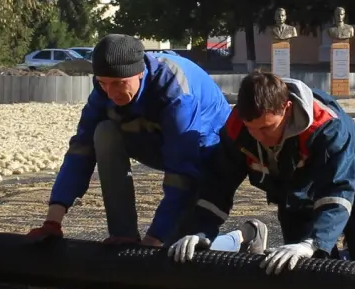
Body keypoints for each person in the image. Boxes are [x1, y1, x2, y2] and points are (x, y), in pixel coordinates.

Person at [169, 71, 355, 272]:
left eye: (267, 127)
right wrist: (200, 231)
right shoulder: (238, 129)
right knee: (303, 268)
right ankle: (333, 253)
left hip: (346, 167)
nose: (259, 137)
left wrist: (314, 242)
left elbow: (337, 188)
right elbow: (219, 184)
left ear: (287, 108)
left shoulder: (329, 127)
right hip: (292, 178)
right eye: (252, 129)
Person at [27, 34, 232, 246]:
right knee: (104, 132)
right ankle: (123, 235)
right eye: (103, 83)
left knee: (180, 248)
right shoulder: (104, 91)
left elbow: (181, 171)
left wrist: (154, 239)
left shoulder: (175, 92)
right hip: (159, 137)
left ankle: (240, 238)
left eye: (119, 83)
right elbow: (80, 150)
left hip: (206, 149)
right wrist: (53, 219)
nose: (111, 92)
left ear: (140, 73)